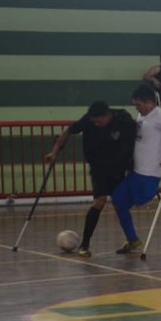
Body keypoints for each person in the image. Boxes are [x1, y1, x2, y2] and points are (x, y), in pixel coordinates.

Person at [44, 101, 136, 258]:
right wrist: (54, 152)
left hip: (117, 166)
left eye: (99, 121)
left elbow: (134, 136)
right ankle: (85, 245)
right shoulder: (88, 120)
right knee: (99, 201)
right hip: (98, 167)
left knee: (119, 202)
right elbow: (68, 131)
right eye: (94, 121)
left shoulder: (122, 119)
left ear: (108, 115)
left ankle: (132, 240)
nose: (96, 124)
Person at [111, 85, 161, 255]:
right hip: (135, 172)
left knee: (136, 200)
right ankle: (133, 240)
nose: (136, 107)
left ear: (149, 103)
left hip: (149, 174)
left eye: (138, 104)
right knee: (118, 200)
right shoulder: (142, 115)